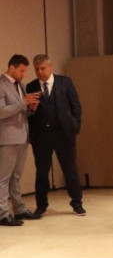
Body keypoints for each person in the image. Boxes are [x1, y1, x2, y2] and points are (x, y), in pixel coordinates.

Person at [25, 55, 85, 216]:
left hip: (63, 133)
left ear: (50, 67)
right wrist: (31, 109)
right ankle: (41, 205)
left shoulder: (65, 82)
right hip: (41, 136)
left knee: (70, 169)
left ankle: (77, 203)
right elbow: (27, 113)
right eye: (37, 69)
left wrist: (74, 126)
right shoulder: (31, 86)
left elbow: (76, 106)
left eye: (43, 68)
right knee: (42, 172)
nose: (40, 72)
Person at [0, 55, 42, 226]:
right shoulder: (1, 85)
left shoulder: (21, 86)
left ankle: (19, 209)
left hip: (23, 136)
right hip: (8, 138)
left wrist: (31, 108)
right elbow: (1, 112)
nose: (24, 74)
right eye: (22, 70)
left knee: (16, 176)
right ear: (12, 68)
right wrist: (23, 103)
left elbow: (22, 111)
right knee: (3, 177)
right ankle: (2, 213)